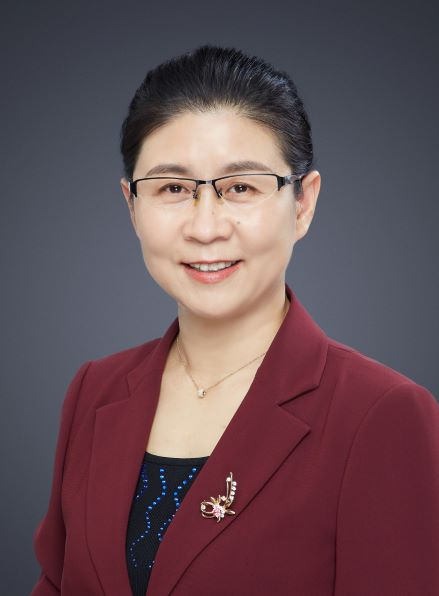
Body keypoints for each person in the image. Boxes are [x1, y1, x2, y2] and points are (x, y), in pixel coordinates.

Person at [31, 44, 439, 596]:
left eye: (240, 187)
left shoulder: (383, 414)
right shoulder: (93, 391)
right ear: (131, 206)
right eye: (173, 189)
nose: (206, 228)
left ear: (303, 203)